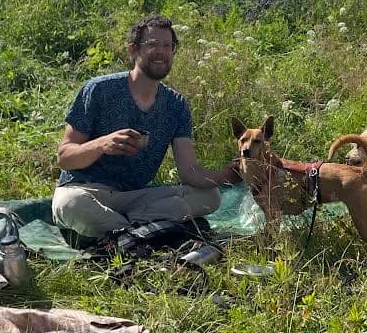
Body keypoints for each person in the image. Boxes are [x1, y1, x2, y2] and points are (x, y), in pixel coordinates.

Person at [52, 14, 239, 240]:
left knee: (210, 196)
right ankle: (148, 230)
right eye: (152, 45)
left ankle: (125, 232)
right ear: (133, 50)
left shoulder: (176, 105)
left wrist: (227, 175)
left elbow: (190, 172)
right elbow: (65, 157)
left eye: (167, 46)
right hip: (86, 190)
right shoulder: (99, 90)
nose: (161, 51)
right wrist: (102, 144)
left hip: (136, 197)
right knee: (71, 205)